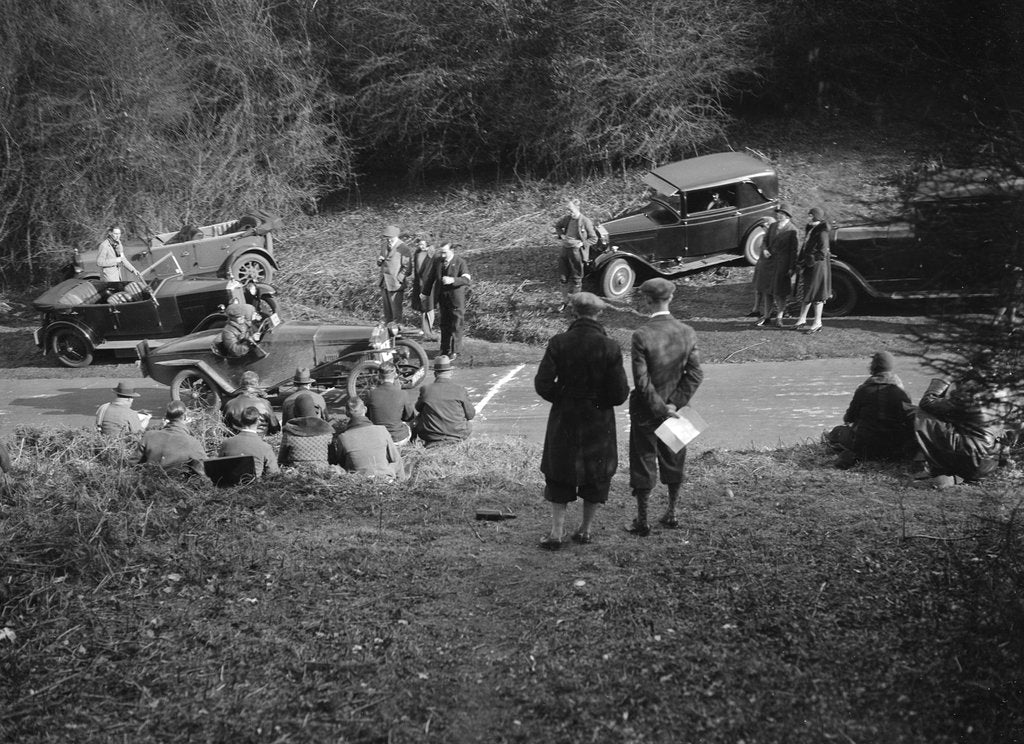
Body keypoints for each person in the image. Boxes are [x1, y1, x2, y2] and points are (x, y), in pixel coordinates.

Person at [534, 292, 629, 550]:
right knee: (595, 473)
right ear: (599, 314)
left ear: (573, 312)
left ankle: (556, 532)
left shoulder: (558, 342)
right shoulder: (610, 347)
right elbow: (620, 393)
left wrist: (563, 398)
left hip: (564, 417)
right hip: (598, 419)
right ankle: (585, 530)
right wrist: (598, 401)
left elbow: (542, 384)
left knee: (559, 471)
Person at [627, 278, 704, 536]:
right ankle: (672, 512)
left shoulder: (641, 335)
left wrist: (660, 408)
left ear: (646, 300)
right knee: (675, 458)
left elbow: (641, 381)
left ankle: (643, 519)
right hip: (679, 408)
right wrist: (674, 404)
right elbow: (695, 374)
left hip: (646, 408)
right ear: (671, 298)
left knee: (643, 459)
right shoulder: (687, 332)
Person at [912, 375, 1004, 487]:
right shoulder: (998, 399)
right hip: (988, 463)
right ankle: (959, 476)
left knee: (923, 413)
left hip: (971, 459)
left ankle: (932, 465)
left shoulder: (968, 397)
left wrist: (944, 380)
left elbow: (927, 402)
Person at [829, 351, 914, 469]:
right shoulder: (902, 393)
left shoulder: (863, 390)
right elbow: (909, 420)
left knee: (837, 431)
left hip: (865, 447)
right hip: (894, 448)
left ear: (873, 367)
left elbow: (849, 418)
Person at [129, 401, 207, 480]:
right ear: (185, 417)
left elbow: (133, 464)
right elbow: (204, 472)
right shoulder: (193, 443)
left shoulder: (149, 435)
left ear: (166, 417)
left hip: (148, 484)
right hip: (177, 488)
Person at [332, 396, 405, 478]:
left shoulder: (343, 438)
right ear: (365, 410)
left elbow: (341, 463)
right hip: (385, 478)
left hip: (359, 482)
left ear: (346, 413)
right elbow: (396, 459)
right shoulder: (381, 430)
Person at [421, 242, 471, 359]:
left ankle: (455, 351)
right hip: (442, 299)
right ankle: (444, 349)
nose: (443, 255)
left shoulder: (460, 262)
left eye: (445, 252)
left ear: (452, 251)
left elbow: (466, 279)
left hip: (456, 300)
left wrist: (452, 280)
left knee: (456, 325)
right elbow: (431, 278)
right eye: (441, 252)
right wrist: (424, 293)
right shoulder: (438, 261)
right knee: (444, 325)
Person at [414, 355, 476, 447]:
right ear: (450, 373)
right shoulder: (460, 390)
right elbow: (470, 415)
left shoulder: (426, 389)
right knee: (468, 423)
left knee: (418, 417)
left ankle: (414, 443)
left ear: (435, 374)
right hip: (457, 435)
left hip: (431, 435)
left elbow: (418, 408)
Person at [755, 203, 799, 327]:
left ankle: (779, 317)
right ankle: (767, 316)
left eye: (781, 214)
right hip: (769, 263)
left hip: (782, 265)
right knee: (767, 290)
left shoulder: (793, 230)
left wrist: (791, 267)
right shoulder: (773, 226)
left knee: (780, 292)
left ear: (787, 216)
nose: (778, 215)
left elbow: (793, 251)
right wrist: (764, 250)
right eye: (778, 213)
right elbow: (765, 240)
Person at [553, 198, 599, 310]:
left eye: (571, 210)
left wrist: (582, 244)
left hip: (576, 253)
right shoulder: (567, 219)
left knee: (576, 279)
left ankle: (575, 305)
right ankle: (564, 302)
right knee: (563, 278)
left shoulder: (585, 221)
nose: (569, 213)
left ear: (577, 209)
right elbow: (558, 226)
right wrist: (562, 235)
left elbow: (594, 238)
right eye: (568, 210)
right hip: (565, 251)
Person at [794, 206, 832, 334]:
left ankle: (817, 322)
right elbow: (805, 247)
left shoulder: (822, 232)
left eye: (810, 215)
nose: (808, 217)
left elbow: (822, 253)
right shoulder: (811, 229)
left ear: (815, 217)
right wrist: (801, 262)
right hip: (809, 267)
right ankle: (802, 319)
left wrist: (808, 260)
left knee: (817, 295)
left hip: (817, 267)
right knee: (807, 293)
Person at [218, 406, 279, 478]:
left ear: (240, 420)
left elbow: (219, 468)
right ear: (258, 421)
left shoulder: (226, 443)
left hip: (228, 485)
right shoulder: (265, 447)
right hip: (255, 486)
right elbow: (273, 473)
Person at [278, 393, 335, 470]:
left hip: (296, 472)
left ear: (295, 411)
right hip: (322, 471)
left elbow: (282, 460)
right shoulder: (327, 432)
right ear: (315, 410)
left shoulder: (289, 433)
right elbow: (333, 458)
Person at [366, 362, 416, 444]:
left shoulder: (370, 394)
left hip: (378, 439)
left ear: (379, 376)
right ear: (395, 375)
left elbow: (368, 417)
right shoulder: (403, 394)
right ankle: (412, 443)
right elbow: (409, 417)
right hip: (398, 439)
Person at [222, 371, 280, 437]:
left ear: (240, 384)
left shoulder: (230, 404)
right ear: (257, 384)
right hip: (260, 438)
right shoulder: (264, 403)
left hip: (236, 438)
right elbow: (275, 428)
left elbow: (224, 427)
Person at [378, 225, 410, 327]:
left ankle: (397, 332)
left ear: (396, 237)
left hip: (395, 284)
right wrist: (379, 261)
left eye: (390, 238)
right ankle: (387, 333)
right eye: (386, 238)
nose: (388, 240)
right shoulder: (384, 245)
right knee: (387, 311)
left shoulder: (403, 247)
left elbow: (407, 267)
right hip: (384, 282)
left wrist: (399, 278)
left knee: (396, 311)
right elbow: (381, 260)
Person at [410, 236, 438, 341]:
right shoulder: (417, 254)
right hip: (419, 284)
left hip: (430, 285)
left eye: (422, 244)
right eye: (419, 244)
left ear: (428, 244)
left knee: (429, 308)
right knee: (423, 308)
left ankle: (428, 331)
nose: (420, 246)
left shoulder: (432, 254)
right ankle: (425, 331)